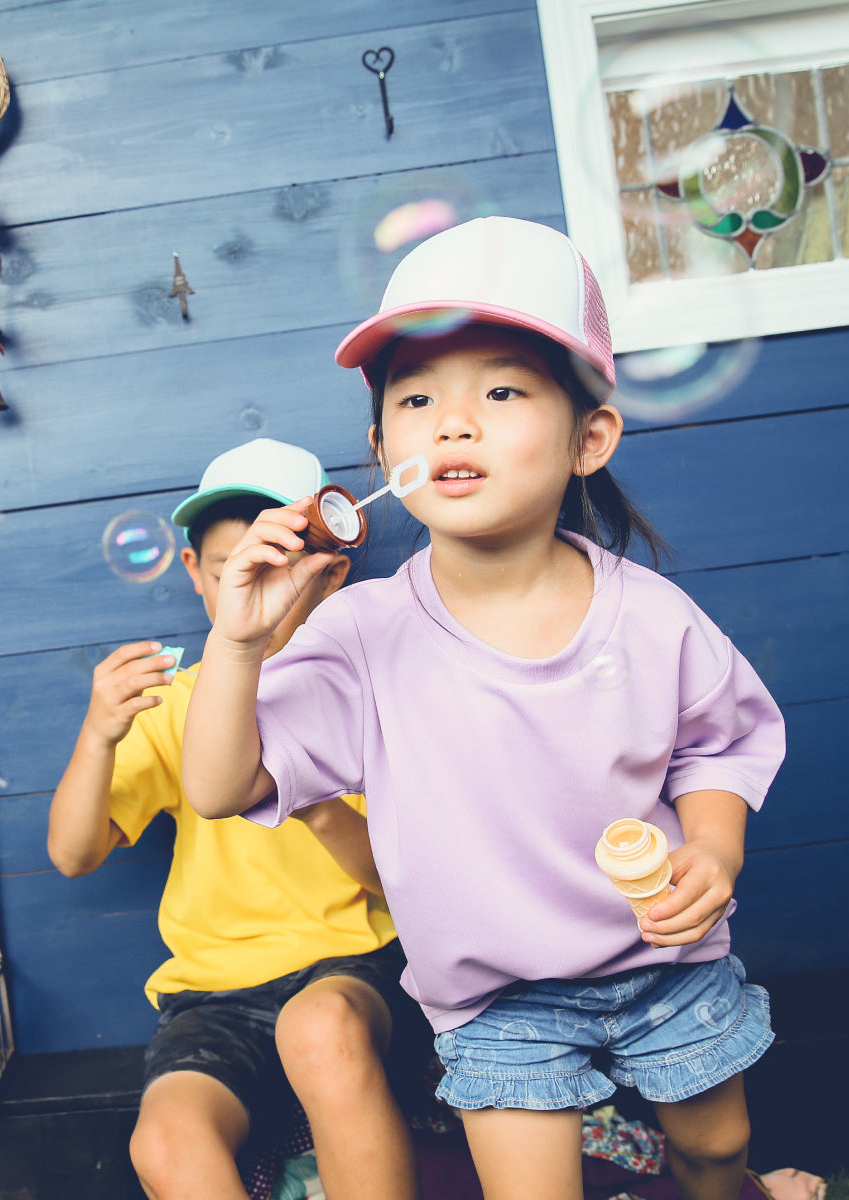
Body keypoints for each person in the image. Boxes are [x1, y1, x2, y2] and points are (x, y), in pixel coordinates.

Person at [180, 217, 786, 1200]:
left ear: (589, 438)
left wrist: (716, 850)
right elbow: (219, 787)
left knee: (719, 1150)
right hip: (498, 1000)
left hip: (668, 959)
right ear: (382, 449)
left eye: (501, 392)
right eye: (417, 399)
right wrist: (240, 644)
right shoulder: (362, 636)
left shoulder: (653, 616)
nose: (453, 424)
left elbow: (716, 748)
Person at [48, 437, 422, 1200]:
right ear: (194, 573)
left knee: (322, 1030)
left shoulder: (370, 695)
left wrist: (306, 800)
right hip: (214, 994)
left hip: (351, 969)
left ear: (330, 573)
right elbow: (72, 854)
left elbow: (405, 883)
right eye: (229, 571)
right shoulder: (175, 704)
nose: (250, 589)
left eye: (275, 567)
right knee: (165, 1141)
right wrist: (98, 736)